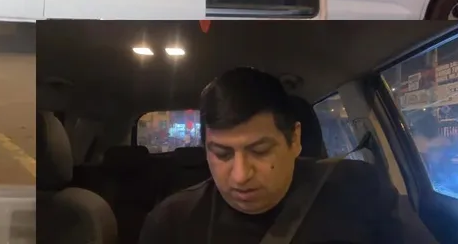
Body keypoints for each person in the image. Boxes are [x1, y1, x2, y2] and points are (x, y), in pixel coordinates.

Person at [139, 67, 437, 244]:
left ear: (294, 139)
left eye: (260, 151)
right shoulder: (171, 222)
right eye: (222, 154)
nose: (240, 176)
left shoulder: (360, 188)